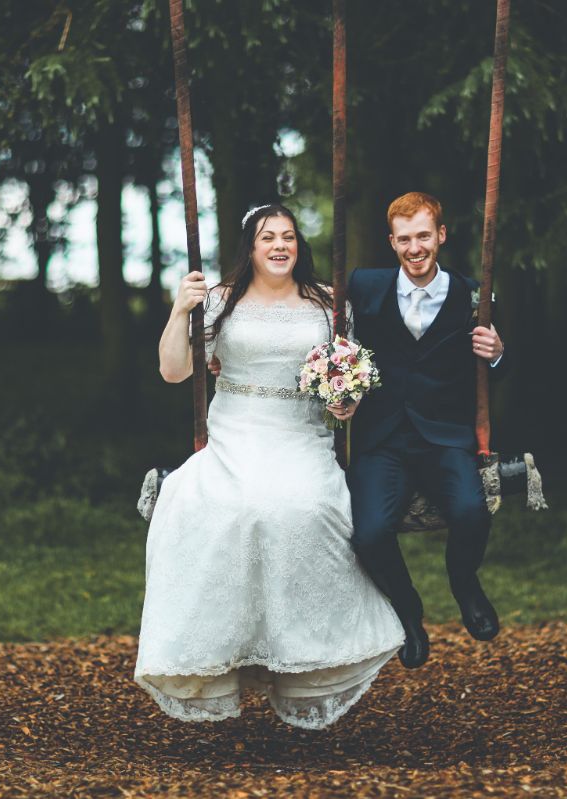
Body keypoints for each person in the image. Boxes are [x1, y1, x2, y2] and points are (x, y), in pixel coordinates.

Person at [134, 204, 404, 729]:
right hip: (235, 434)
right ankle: (223, 652)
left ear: (298, 245)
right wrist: (180, 309)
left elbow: (347, 380)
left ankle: (306, 659)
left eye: (288, 236)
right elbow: (173, 371)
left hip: (300, 436)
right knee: (224, 507)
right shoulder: (219, 301)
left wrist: (345, 401)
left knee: (304, 509)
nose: (280, 245)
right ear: (251, 248)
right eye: (267, 237)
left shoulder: (328, 304)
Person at [345, 191, 508, 669]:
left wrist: (498, 353)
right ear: (391, 242)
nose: (414, 248)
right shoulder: (363, 285)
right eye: (404, 239)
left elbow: (495, 370)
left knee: (472, 513)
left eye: (423, 236)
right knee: (369, 534)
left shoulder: (473, 295)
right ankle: (407, 612)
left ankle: (465, 584)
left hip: (444, 436)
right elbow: (317, 314)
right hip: (382, 439)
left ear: (440, 235)